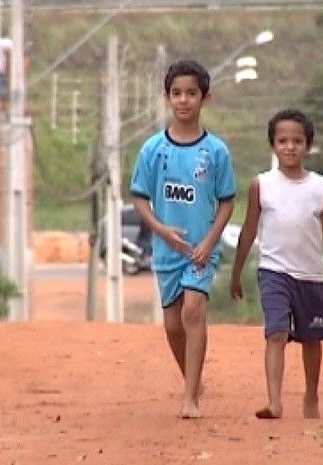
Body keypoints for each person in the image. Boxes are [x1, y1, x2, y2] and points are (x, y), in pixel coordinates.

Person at [230, 109, 323, 419]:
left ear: (308, 146)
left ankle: (311, 396)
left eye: (297, 141)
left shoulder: (319, 187)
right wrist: (236, 272)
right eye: (283, 141)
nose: (290, 147)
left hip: (311, 274)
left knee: (312, 338)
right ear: (273, 145)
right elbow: (249, 229)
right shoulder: (262, 184)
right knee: (276, 333)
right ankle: (274, 402)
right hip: (274, 271)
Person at [130, 60, 236, 419]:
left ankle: (190, 398)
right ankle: (193, 379)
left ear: (205, 98)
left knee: (194, 309)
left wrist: (209, 241)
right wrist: (161, 230)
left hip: (201, 250)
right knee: (173, 324)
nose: (183, 100)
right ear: (166, 98)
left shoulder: (217, 152)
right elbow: (140, 197)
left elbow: (227, 200)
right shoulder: (152, 149)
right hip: (165, 251)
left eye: (191, 93)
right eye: (176, 93)